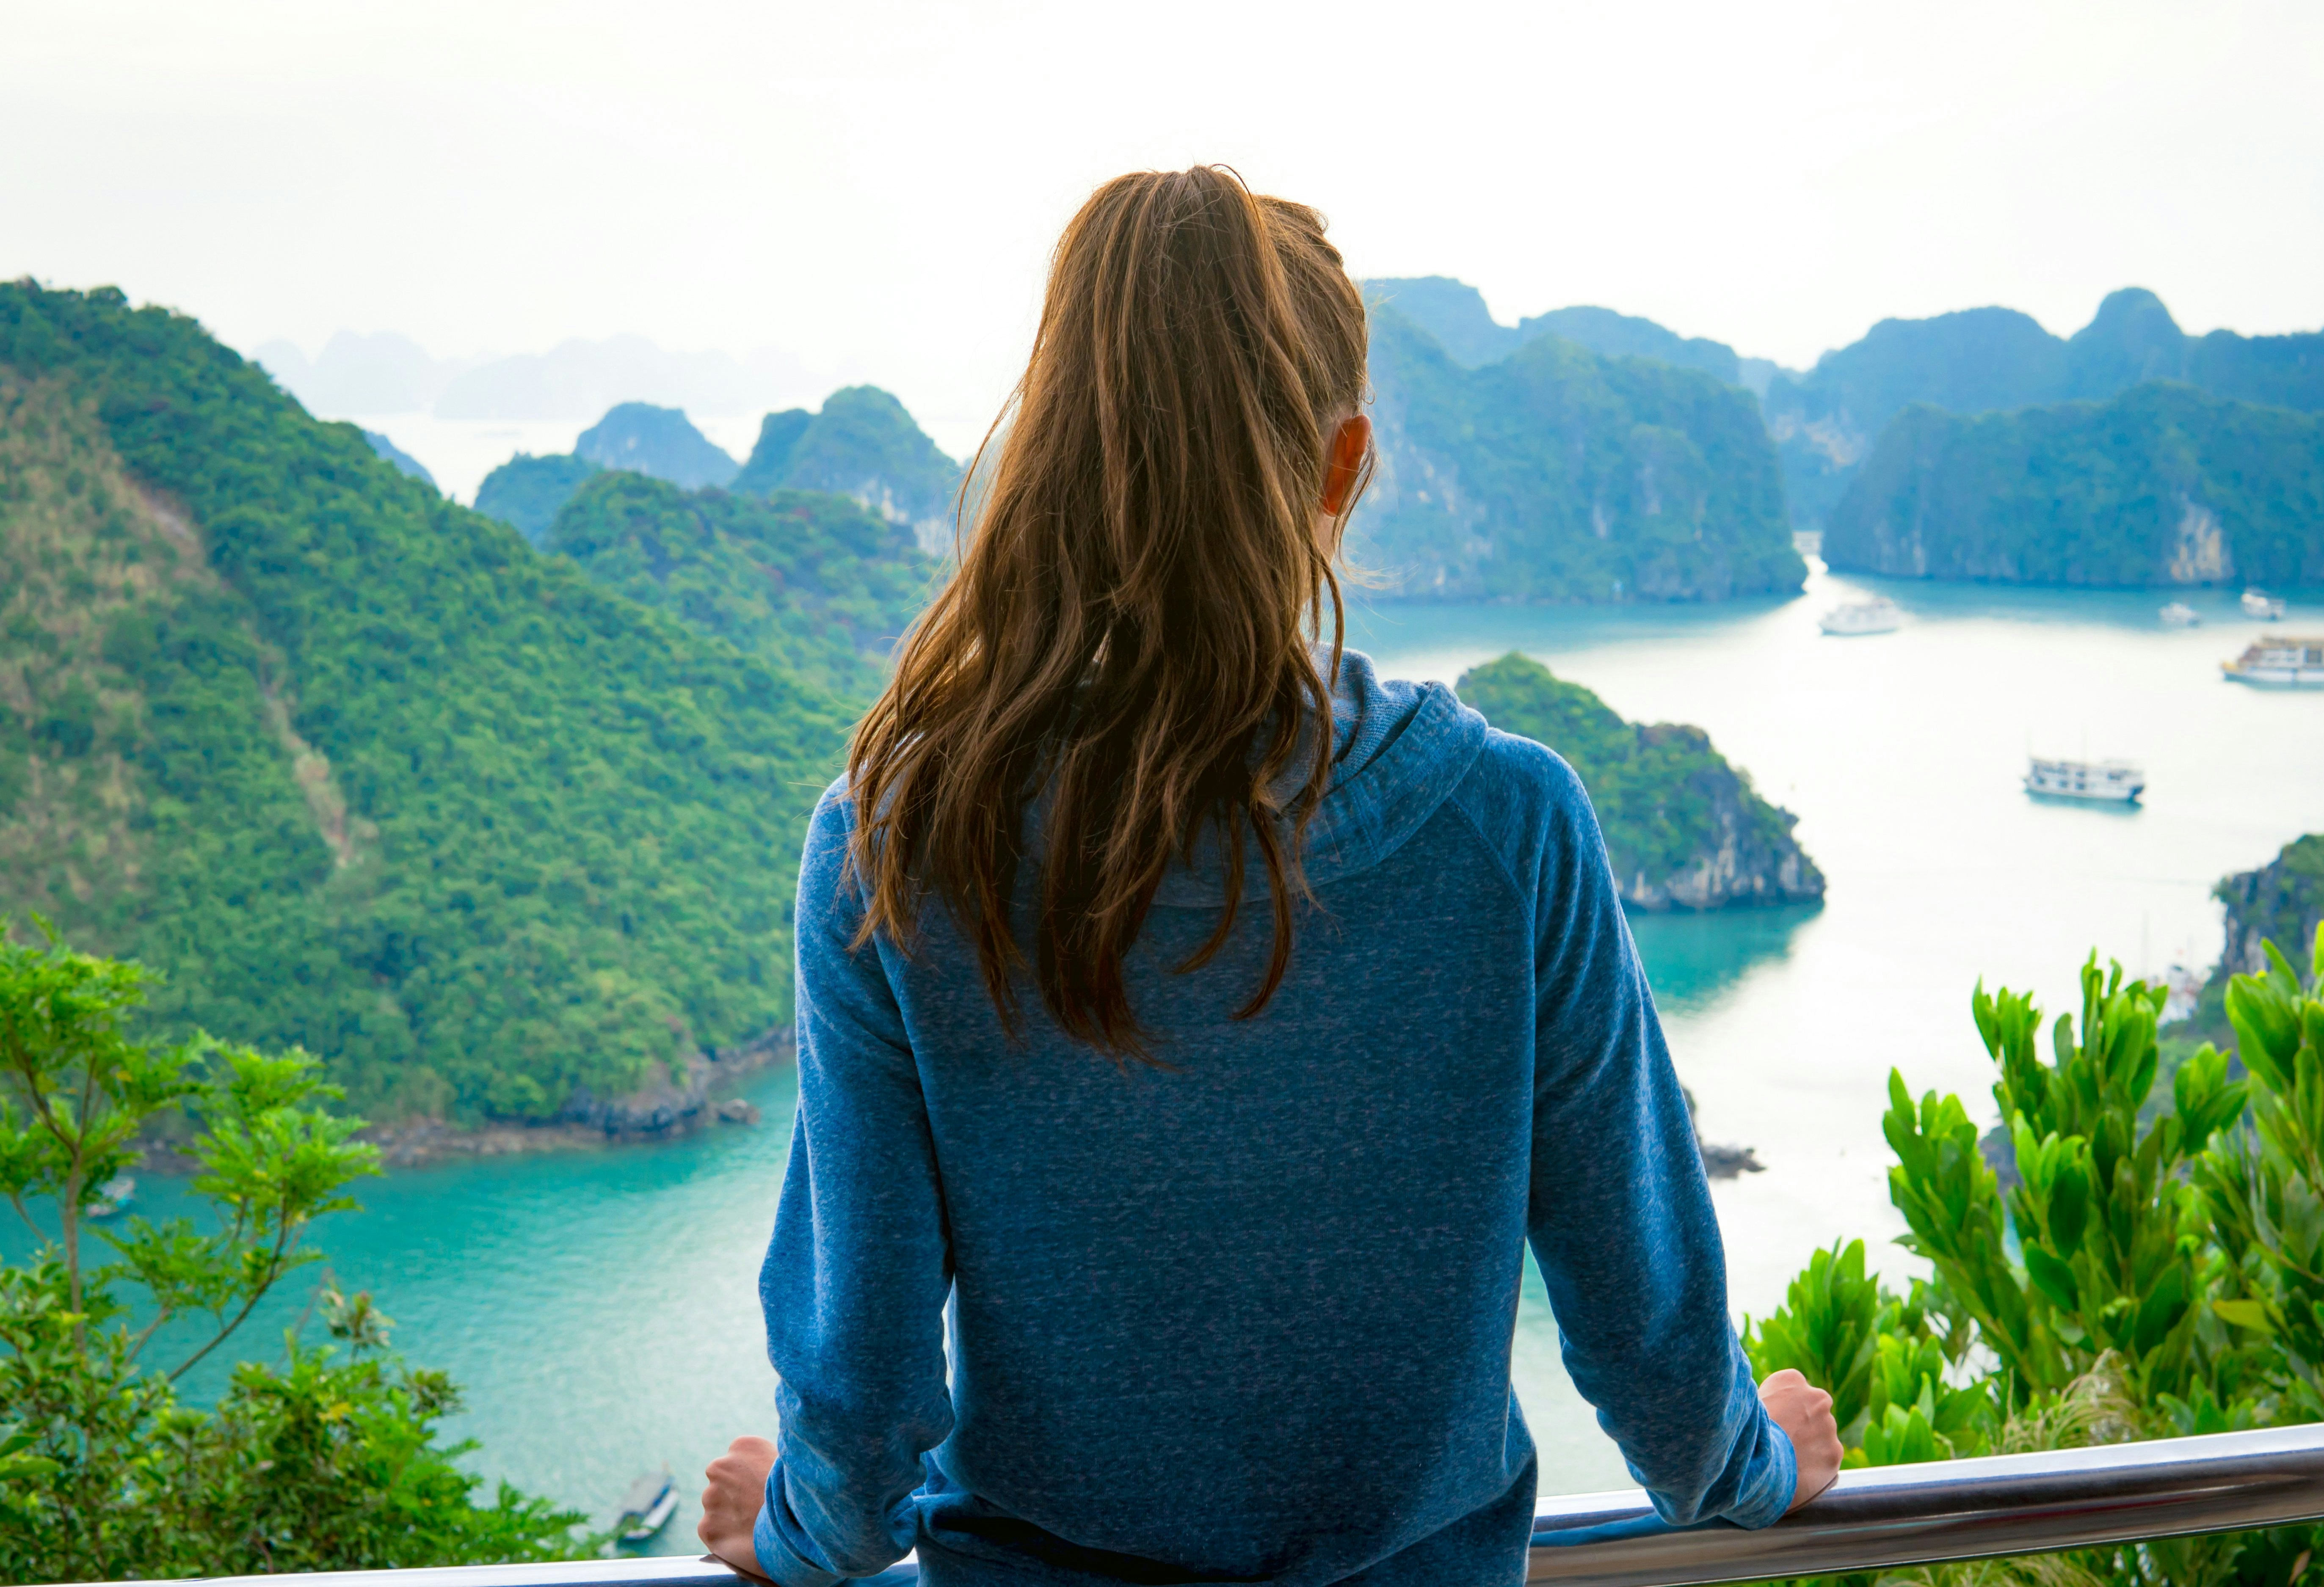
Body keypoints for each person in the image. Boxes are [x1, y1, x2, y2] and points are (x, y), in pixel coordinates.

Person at [698, 165, 1840, 1587]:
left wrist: (793, 1529)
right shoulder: (1510, 828)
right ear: (1344, 465)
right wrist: (1759, 1457)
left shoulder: (898, 844)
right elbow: (1657, 1361)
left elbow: (864, 1426)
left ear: (1051, 453)